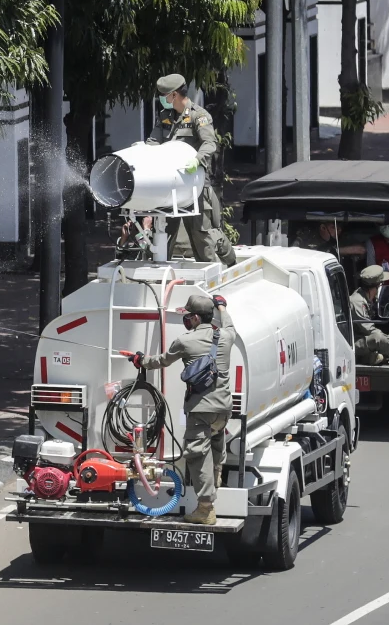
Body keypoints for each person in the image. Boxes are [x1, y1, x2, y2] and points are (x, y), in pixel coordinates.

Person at [127, 294, 234, 525]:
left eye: (188, 315)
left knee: (198, 456)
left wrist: (140, 360)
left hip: (200, 409)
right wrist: (222, 306)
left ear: (195, 318)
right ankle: (216, 478)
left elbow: (161, 361)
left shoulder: (185, 341)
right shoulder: (226, 336)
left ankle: (205, 509)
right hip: (224, 409)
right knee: (216, 444)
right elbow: (229, 324)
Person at [145, 73, 235, 266]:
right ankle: (159, 274)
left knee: (202, 234)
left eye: (164, 95)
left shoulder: (198, 116)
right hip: (170, 185)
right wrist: (144, 150)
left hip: (195, 184)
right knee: (163, 231)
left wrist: (197, 160)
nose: (162, 99)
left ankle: (227, 262)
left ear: (174, 95)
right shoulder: (165, 116)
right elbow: (153, 141)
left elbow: (210, 143)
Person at [291, 222, 366, 258]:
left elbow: (361, 249)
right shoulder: (307, 236)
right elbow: (294, 252)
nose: (338, 230)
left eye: (340, 228)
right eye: (334, 227)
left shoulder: (340, 238)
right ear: (323, 228)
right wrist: (338, 251)